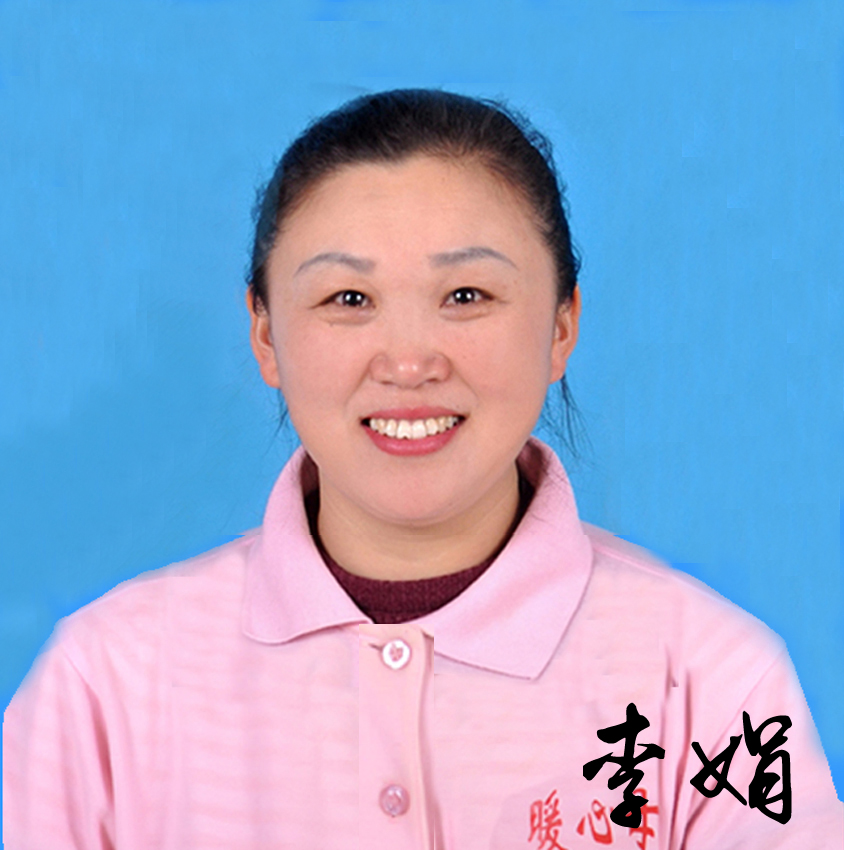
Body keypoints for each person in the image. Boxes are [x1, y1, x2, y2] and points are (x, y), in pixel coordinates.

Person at [3, 89, 842, 849]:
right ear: (265, 334)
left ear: (562, 326)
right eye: (348, 300)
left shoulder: (712, 680)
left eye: (467, 297)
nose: (408, 363)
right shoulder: (103, 685)